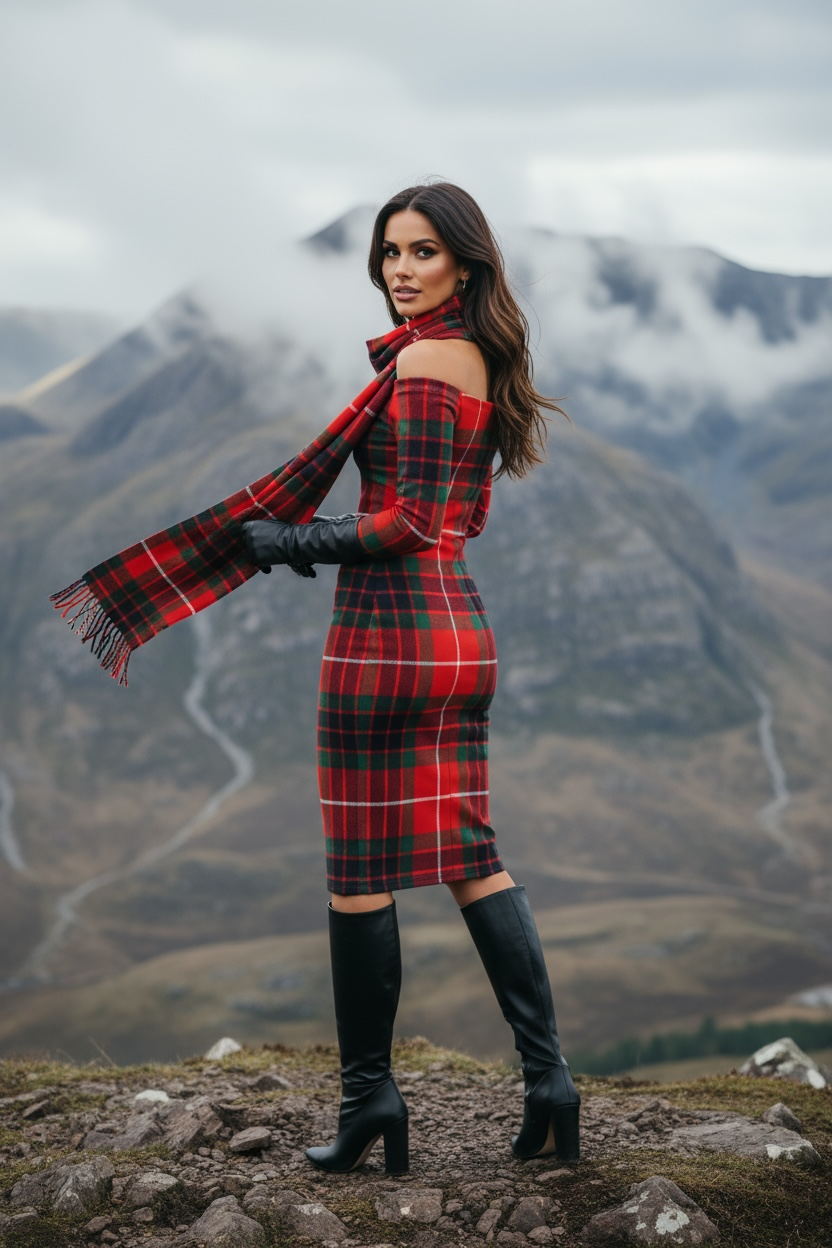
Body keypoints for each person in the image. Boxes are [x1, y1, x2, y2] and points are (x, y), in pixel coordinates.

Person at [242, 182, 580, 1175]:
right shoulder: (472, 355)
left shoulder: (430, 358)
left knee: (359, 869)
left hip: (388, 636)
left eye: (422, 251)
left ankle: (368, 1104)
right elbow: (443, 524)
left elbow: (406, 523)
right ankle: (548, 1077)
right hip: (455, 633)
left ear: (463, 267)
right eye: (389, 251)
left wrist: (291, 541)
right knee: (470, 852)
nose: (399, 269)